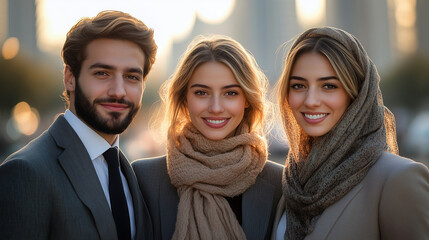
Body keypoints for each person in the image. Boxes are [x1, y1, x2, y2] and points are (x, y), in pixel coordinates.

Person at [0, 10, 157, 240]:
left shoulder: (134, 175)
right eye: (102, 73)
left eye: (132, 77)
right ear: (69, 78)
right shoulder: (26, 173)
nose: (118, 91)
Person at [271, 26, 429, 240]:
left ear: (357, 93)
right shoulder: (292, 182)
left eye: (328, 86)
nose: (310, 101)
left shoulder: (397, 179)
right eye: (299, 86)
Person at [132, 35, 283, 240]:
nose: (215, 108)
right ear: (184, 98)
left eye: (230, 93)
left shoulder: (278, 183)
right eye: (202, 93)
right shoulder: (144, 178)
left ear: (247, 99)